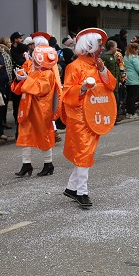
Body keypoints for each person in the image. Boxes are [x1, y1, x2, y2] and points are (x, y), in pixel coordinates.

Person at [59, 28, 116, 209]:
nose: (102, 48)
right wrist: (82, 88)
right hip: (79, 117)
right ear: (89, 46)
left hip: (95, 116)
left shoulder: (98, 64)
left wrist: (103, 69)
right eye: (99, 45)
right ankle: (82, 192)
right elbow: (67, 93)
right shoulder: (73, 67)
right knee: (84, 152)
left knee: (87, 152)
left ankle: (71, 188)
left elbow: (111, 85)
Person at [12, 45, 60, 177]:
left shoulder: (48, 73)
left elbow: (40, 89)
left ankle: (48, 163)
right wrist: (19, 78)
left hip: (40, 109)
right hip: (27, 106)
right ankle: (26, 164)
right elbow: (18, 88)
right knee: (25, 134)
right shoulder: (32, 68)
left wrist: (25, 79)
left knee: (43, 134)